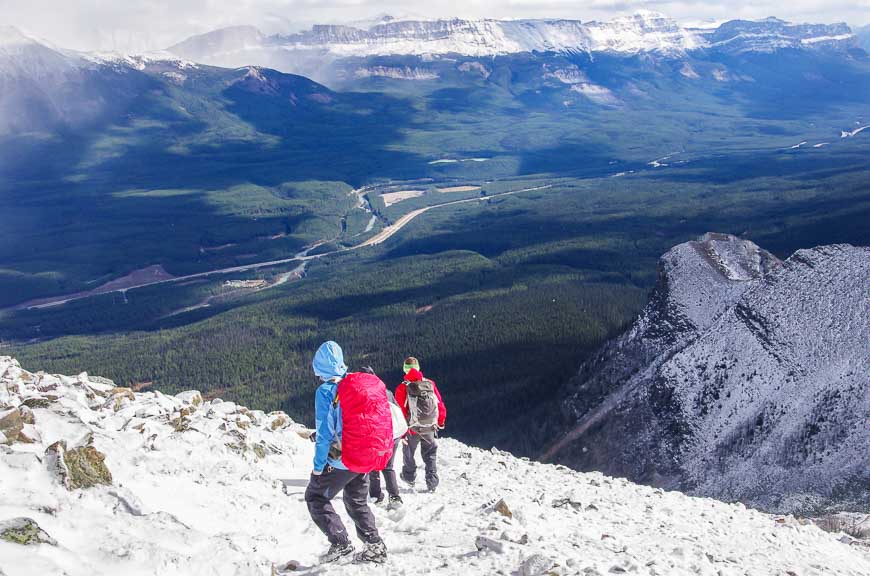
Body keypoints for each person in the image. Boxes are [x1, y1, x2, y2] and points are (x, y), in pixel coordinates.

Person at [304, 341, 390, 564]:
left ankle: (341, 543)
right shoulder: (354, 383)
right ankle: (375, 546)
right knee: (356, 500)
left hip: (342, 460)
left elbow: (324, 434)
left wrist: (318, 466)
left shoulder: (326, 391)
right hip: (362, 455)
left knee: (315, 497)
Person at [395, 356, 446, 492]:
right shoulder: (430, 384)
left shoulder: (402, 387)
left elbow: (400, 410)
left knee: (408, 452)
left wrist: (402, 429)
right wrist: (440, 421)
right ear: (418, 368)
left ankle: (409, 476)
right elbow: (439, 404)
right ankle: (432, 483)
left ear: (405, 370)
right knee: (430, 453)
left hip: (412, 428)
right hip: (429, 426)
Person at [368, 387, 408, 510]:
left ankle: (376, 496)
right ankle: (395, 496)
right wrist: (403, 434)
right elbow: (398, 412)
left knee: (373, 465)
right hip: (393, 434)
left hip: (374, 434)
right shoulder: (387, 392)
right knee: (388, 466)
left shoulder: (362, 394)